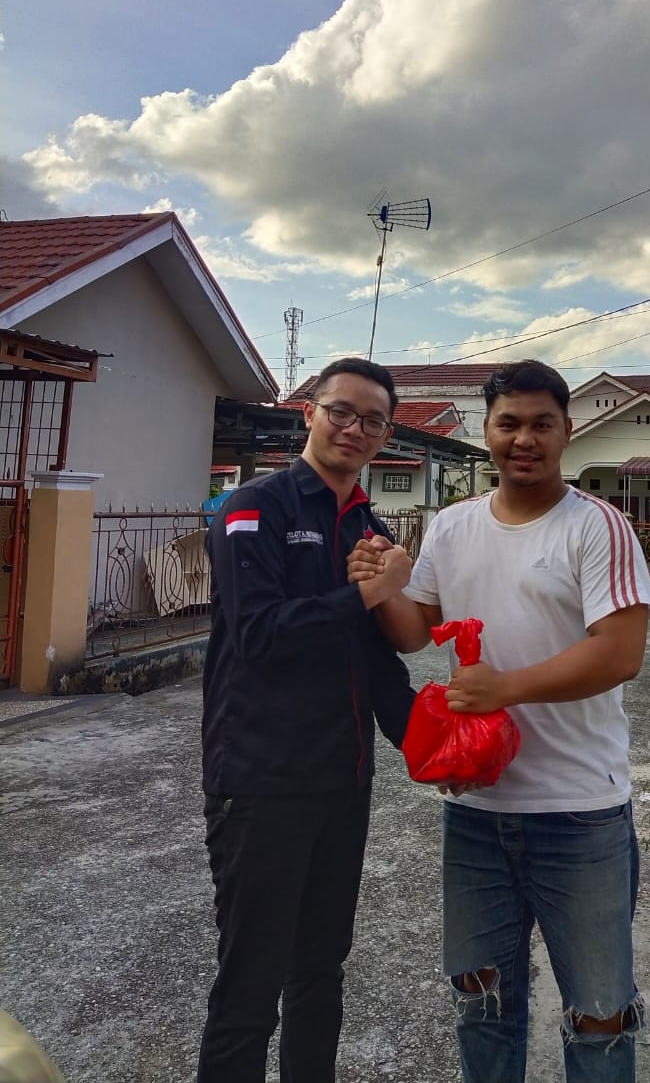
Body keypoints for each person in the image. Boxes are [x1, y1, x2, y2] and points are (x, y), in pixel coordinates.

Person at [349, 358, 650, 1083]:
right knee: (480, 1001)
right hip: (477, 811)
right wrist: (376, 583)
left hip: (580, 811)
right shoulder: (452, 528)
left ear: (567, 432)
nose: (524, 439)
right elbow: (414, 630)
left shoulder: (597, 528)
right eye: (509, 423)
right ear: (486, 431)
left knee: (598, 1014)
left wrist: (503, 689)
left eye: (541, 424)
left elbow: (620, 653)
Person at [197, 357, 416, 1083]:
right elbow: (259, 637)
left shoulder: (370, 528)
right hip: (261, 785)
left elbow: (377, 658)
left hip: (342, 783)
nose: (355, 429)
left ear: (386, 434)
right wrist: (363, 595)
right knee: (249, 990)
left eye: (373, 420)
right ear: (308, 414)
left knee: (320, 974)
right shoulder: (251, 510)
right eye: (341, 412)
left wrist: (431, 741)